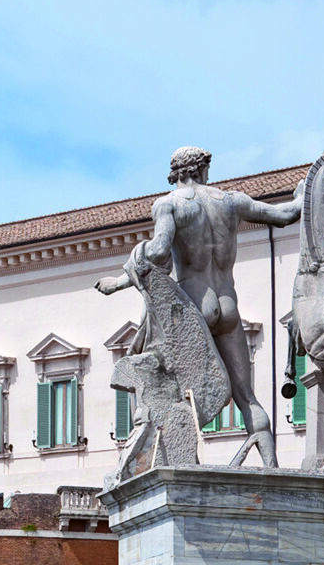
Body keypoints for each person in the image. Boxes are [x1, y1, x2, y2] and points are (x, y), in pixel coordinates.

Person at [96, 146, 303, 467]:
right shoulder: (232, 201)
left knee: (168, 389)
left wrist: (122, 276)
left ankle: (174, 463)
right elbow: (286, 215)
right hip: (228, 305)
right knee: (246, 396)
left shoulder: (169, 205)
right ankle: (271, 468)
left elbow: (159, 250)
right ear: (204, 169)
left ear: (175, 173)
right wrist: (305, 193)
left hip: (194, 307)